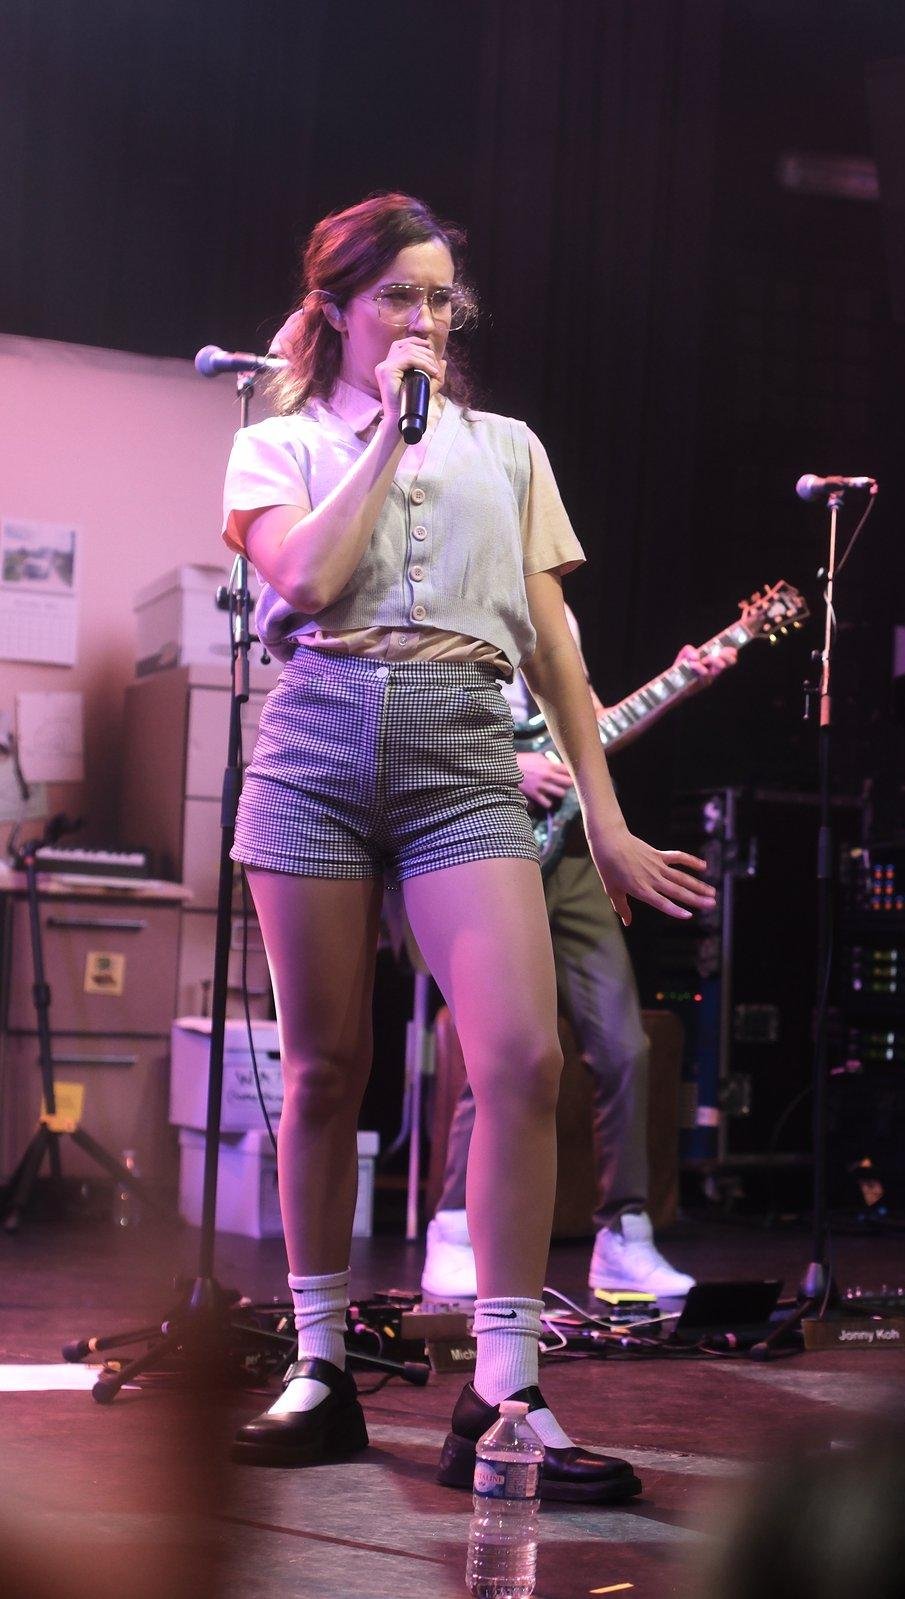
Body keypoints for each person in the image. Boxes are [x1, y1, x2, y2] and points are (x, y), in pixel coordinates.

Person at [219, 193, 714, 1500]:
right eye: (399, 298)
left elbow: (554, 646)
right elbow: (308, 584)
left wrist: (604, 823)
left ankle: (503, 1391)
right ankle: (319, 1362)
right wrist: (384, 433)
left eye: (442, 299)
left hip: (463, 746)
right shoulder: (277, 445)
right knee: (328, 1066)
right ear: (336, 310)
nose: (426, 320)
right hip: (318, 735)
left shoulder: (508, 450)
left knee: (521, 1053)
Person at [422, 612, 736, 1300]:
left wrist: (680, 683)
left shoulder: (557, 607)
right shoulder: (451, 583)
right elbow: (413, 724)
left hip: (571, 855)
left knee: (626, 1047)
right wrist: (512, 764)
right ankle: (452, 1228)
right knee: (501, 1047)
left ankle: (626, 1238)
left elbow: (587, 727)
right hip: (487, 838)